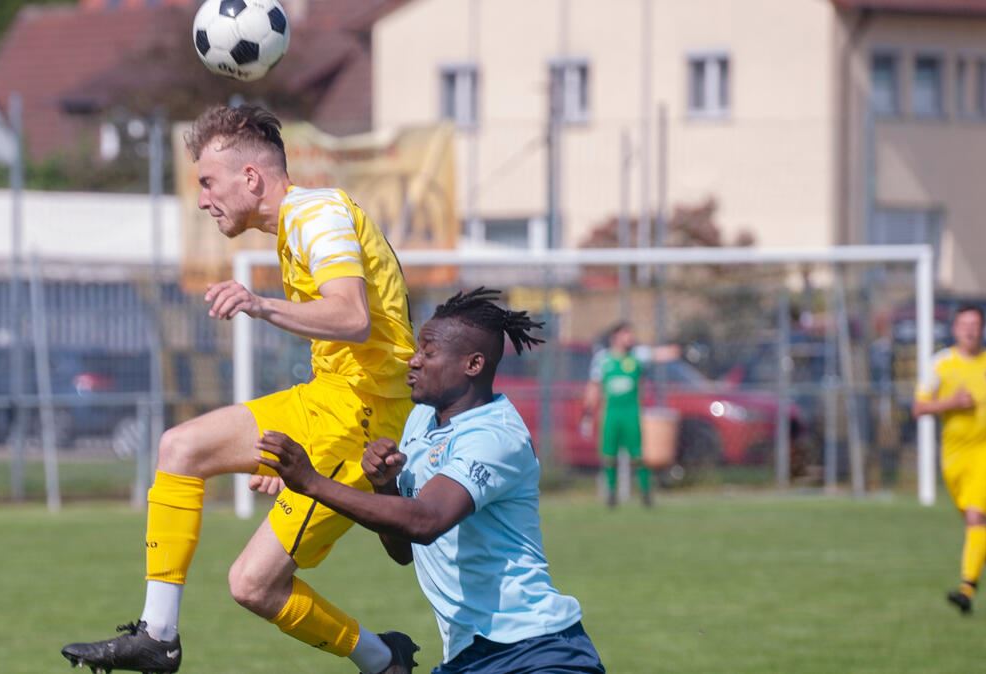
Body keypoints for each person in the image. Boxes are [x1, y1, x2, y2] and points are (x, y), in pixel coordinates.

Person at [61, 105, 420, 674]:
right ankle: (158, 635)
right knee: (180, 448)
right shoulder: (298, 221)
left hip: (363, 420)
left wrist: (259, 304)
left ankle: (381, 659)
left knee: (253, 585)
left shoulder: (317, 213)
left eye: (207, 182)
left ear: (250, 178)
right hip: (328, 402)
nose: (203, 199)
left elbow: (352, 317)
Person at [258, 288, 605, 673]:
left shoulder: (494, 436)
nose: (414, 360)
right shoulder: (422, 419)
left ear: (472, 365)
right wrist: (386, 486)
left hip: (537, 652)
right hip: (469, 656)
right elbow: (404, 550)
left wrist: (312, 483)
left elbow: (425, 522)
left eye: (428, 352)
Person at [913, 304, 986, 615]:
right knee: (975, 523)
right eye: (964, 324)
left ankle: (967, 588)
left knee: (977, 518)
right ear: (954, 329)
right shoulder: (940, 365)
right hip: (954, 455)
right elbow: (919, 408)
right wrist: (951, 402)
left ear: (983, 329)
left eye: (975, 324)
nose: (969, 330)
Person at [580, 321, 671, 507]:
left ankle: (646, 494)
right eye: (626, 334)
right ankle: (611, 494)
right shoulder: (602, 359)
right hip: (611, 413)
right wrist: (588, 413)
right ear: (615, 337)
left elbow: (661, 354)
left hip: (632, 412)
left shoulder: (637, 355)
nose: (630, 338)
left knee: (639, 455)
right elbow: (593, 387)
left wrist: (684, 350)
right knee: (609, 455)